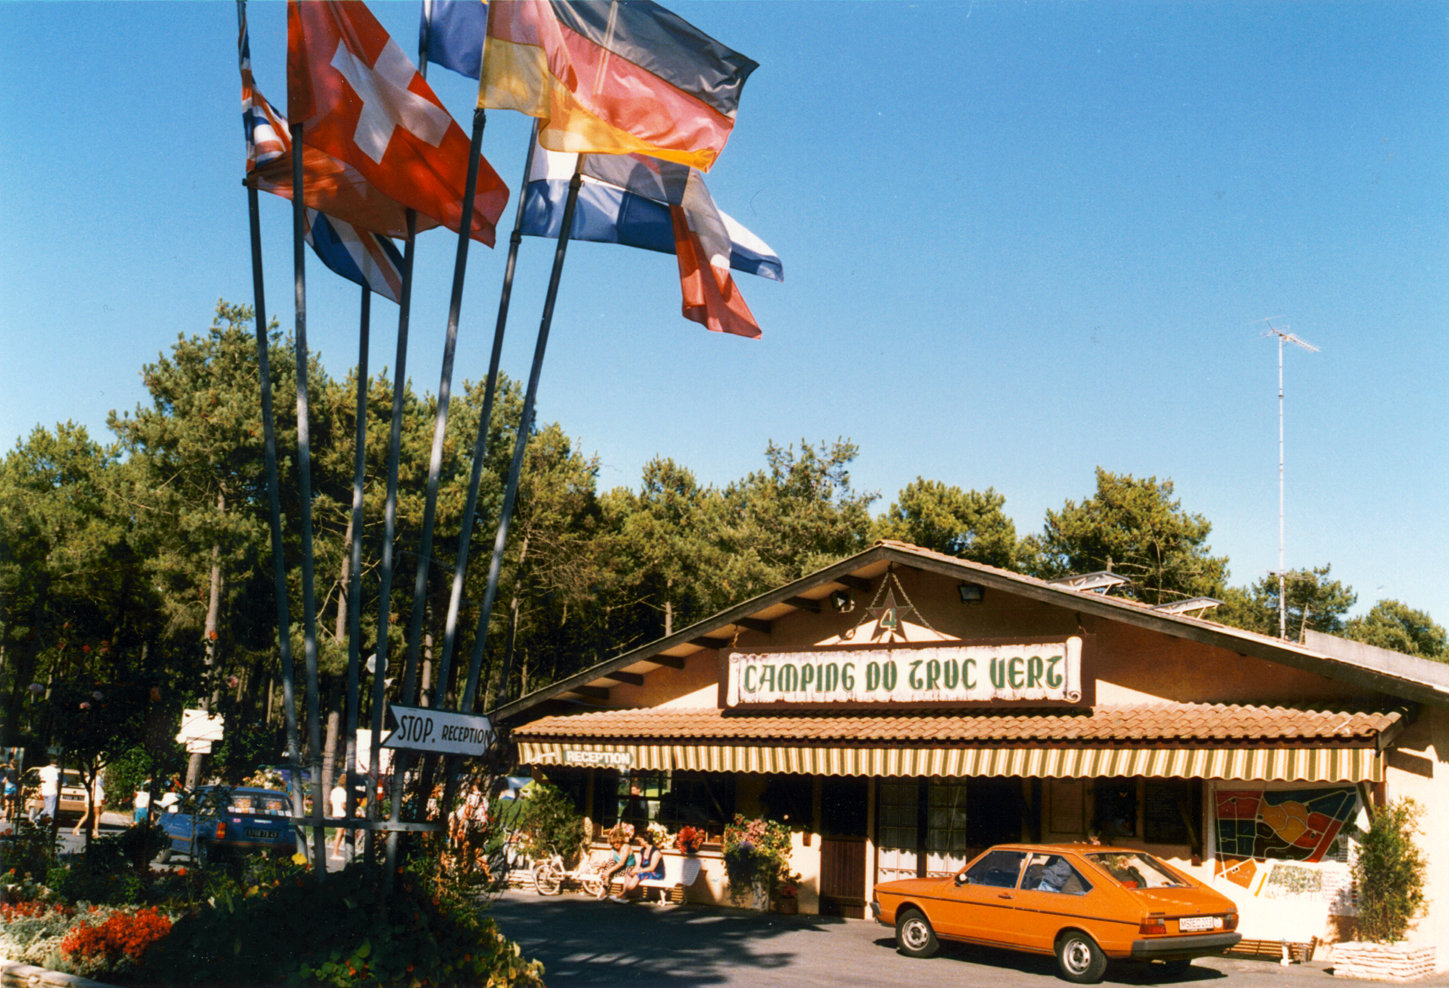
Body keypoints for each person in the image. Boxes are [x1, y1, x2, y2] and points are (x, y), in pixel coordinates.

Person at [622, 832, 666, 902]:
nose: (639, 841)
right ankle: (625, 895)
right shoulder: (642, 850)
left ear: (646, 841)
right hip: (646, 872)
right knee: (628, 874)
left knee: (638, 875)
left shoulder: (655, 852)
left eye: (640, 840)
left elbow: (652, 868)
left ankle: (623, 894)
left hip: (656, 874)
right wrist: (633, 871)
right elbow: (638, 864)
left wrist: (638, 871)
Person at [598, 830, 636, 901]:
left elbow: (622, 863)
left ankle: (621, 895)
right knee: (610, 863)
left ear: (621, 841)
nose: (615, 844)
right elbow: (611, 859)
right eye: (613, 843)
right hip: (619, 868)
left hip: (629, 868)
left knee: (609, 870)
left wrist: (609, 871)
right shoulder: (613, 849)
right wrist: (605, 864)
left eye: (617, 842)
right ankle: (605, 888)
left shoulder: (626, 847)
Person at [329, 780, 349, 858]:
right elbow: (343, 805)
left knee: (340, 833)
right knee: (339, 834)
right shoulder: (343, 792)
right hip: (342, 814)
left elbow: (330, 802)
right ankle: (335, 853)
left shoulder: (334, 790)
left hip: (335, 813)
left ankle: (336, 852)